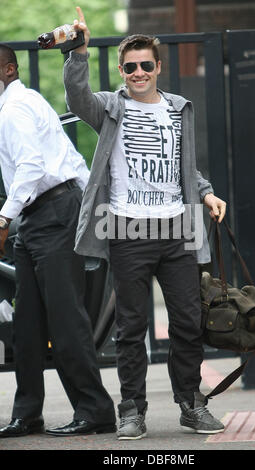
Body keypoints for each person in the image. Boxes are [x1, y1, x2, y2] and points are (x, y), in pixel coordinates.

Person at [64, 6, 227, 440]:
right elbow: (75, 97)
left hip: (176, 230)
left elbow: (182, 165)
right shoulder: (109, 107)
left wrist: (207, 191)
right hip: (129, 230)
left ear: (158, 67)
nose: (138, 72)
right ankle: (131, 410)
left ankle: (191, 405)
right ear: (121, 70)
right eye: (130, 66)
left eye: (145, 65)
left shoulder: (177, 109)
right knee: (131, 327)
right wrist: (78, 52)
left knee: (189, 322)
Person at [0, 44, 116, 438]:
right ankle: (28, 412)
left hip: (52, 213)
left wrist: (4, 217)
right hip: (41, 216)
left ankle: (96, 411)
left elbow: (33, 165)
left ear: (9, 69)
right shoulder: (20, 103)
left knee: (66, 320)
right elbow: (67, 159)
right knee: (27, 325)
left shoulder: (15, 107)